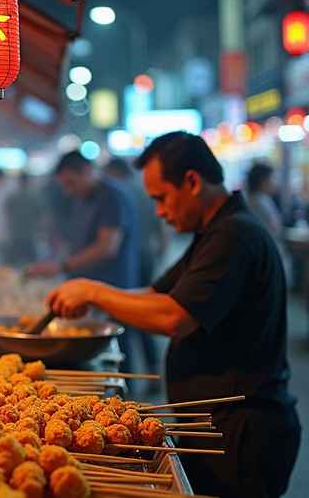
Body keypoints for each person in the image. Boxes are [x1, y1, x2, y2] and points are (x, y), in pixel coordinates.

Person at [46, 132, 300, 498]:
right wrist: (95, 300)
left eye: (161, 198)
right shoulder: (212, 232)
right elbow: (156, 295)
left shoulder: (234, 236)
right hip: (214, 423)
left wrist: (93, 290)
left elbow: (175, 316)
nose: (159, 212)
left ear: (192, 182)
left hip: (242, 431)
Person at [26, 151, 140, 291]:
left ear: (87, 171)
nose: (68, 191)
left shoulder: (111, 196)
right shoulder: (81, 197)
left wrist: (61, 266)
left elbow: (107, 247)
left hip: (108, 287)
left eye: (71, 183)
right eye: (64, 186)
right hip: (85, 283)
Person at [103, 157, 164, 390]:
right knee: (143, 314)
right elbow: (161, 228)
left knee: (128, 314)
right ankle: (153, 372)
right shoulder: (144, 190)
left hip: (129, 261)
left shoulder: (117, 193)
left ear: (114, 171)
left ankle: (128, 379)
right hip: (146, 256)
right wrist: (160, 253)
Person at [3, 171, 41, 266]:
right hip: (29, 234)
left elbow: (7, 213)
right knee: (32, 263)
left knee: (11, 263)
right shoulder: (34, 196)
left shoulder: (13, 197)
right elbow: (39, 214)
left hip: (15, 233)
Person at [245, 161, 282, 237]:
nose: (275, 182)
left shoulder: (262, 199)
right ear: (263, 181)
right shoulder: (258, 202)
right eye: (273, 178)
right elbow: (273, 228)